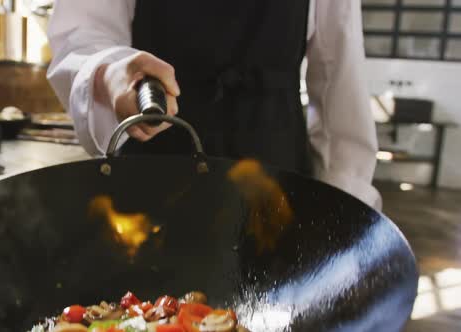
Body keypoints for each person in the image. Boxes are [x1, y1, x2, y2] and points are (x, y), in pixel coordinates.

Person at [47, 0, 381, 209]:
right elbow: (82, 36)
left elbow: (340, 75)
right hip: (153, 171)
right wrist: (111, 73)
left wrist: (345, 212)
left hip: (276, 180)